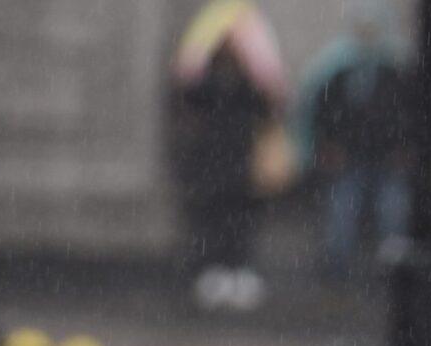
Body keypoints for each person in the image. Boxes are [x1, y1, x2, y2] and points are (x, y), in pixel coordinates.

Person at [169, 0, 288, 312]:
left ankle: (236, 271)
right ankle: (214, 271)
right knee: (216, 220)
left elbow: (269, 107)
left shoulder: (245, 86)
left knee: (238, 222)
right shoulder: (207, 84)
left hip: (237, 167)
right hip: (217, 167)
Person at [296, 1, 412, 279]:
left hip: (386, 158)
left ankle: (392, 273)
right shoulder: (337, 70)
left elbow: (407, 113)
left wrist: (403, 147)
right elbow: (322, 111)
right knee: (342, 215)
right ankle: (336, 271)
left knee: (393, 214)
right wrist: (327, 145)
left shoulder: (395, 70)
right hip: (348, 157)